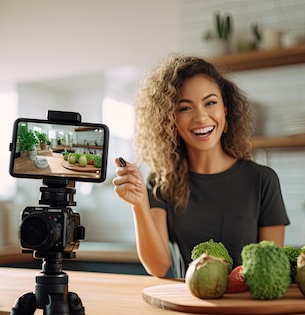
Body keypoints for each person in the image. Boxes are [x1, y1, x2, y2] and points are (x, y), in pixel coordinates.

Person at [112, 55, 290, 278]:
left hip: (247, 307)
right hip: (187, 307)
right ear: (171, 119)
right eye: (185, 108)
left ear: (225, 108)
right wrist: (139, 205)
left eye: (210, 103)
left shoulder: (262, 180)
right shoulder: (161, 183)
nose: (201, 117)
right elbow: (158, 267)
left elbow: (270, 270)